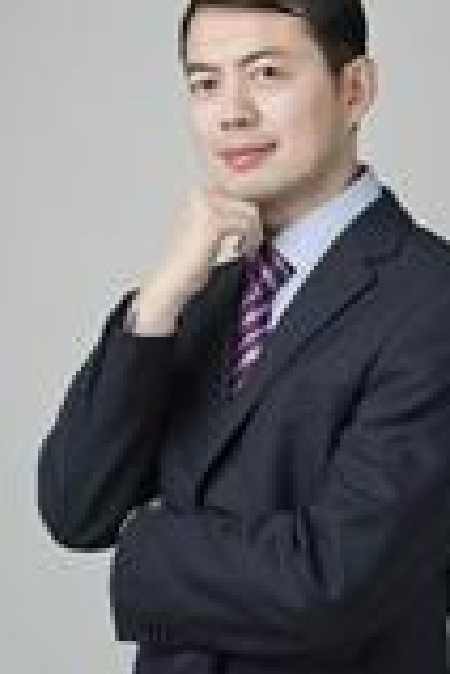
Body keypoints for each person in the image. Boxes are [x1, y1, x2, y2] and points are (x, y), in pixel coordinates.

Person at [37, 1, 450, 672]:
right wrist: (157, 301)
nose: (231, 113)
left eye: (265, 74)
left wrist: (145, 543)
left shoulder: (430, 297)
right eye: (205, 83)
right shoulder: (197, 293)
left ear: (354, 89)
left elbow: (333, 582)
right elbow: (75, 506)